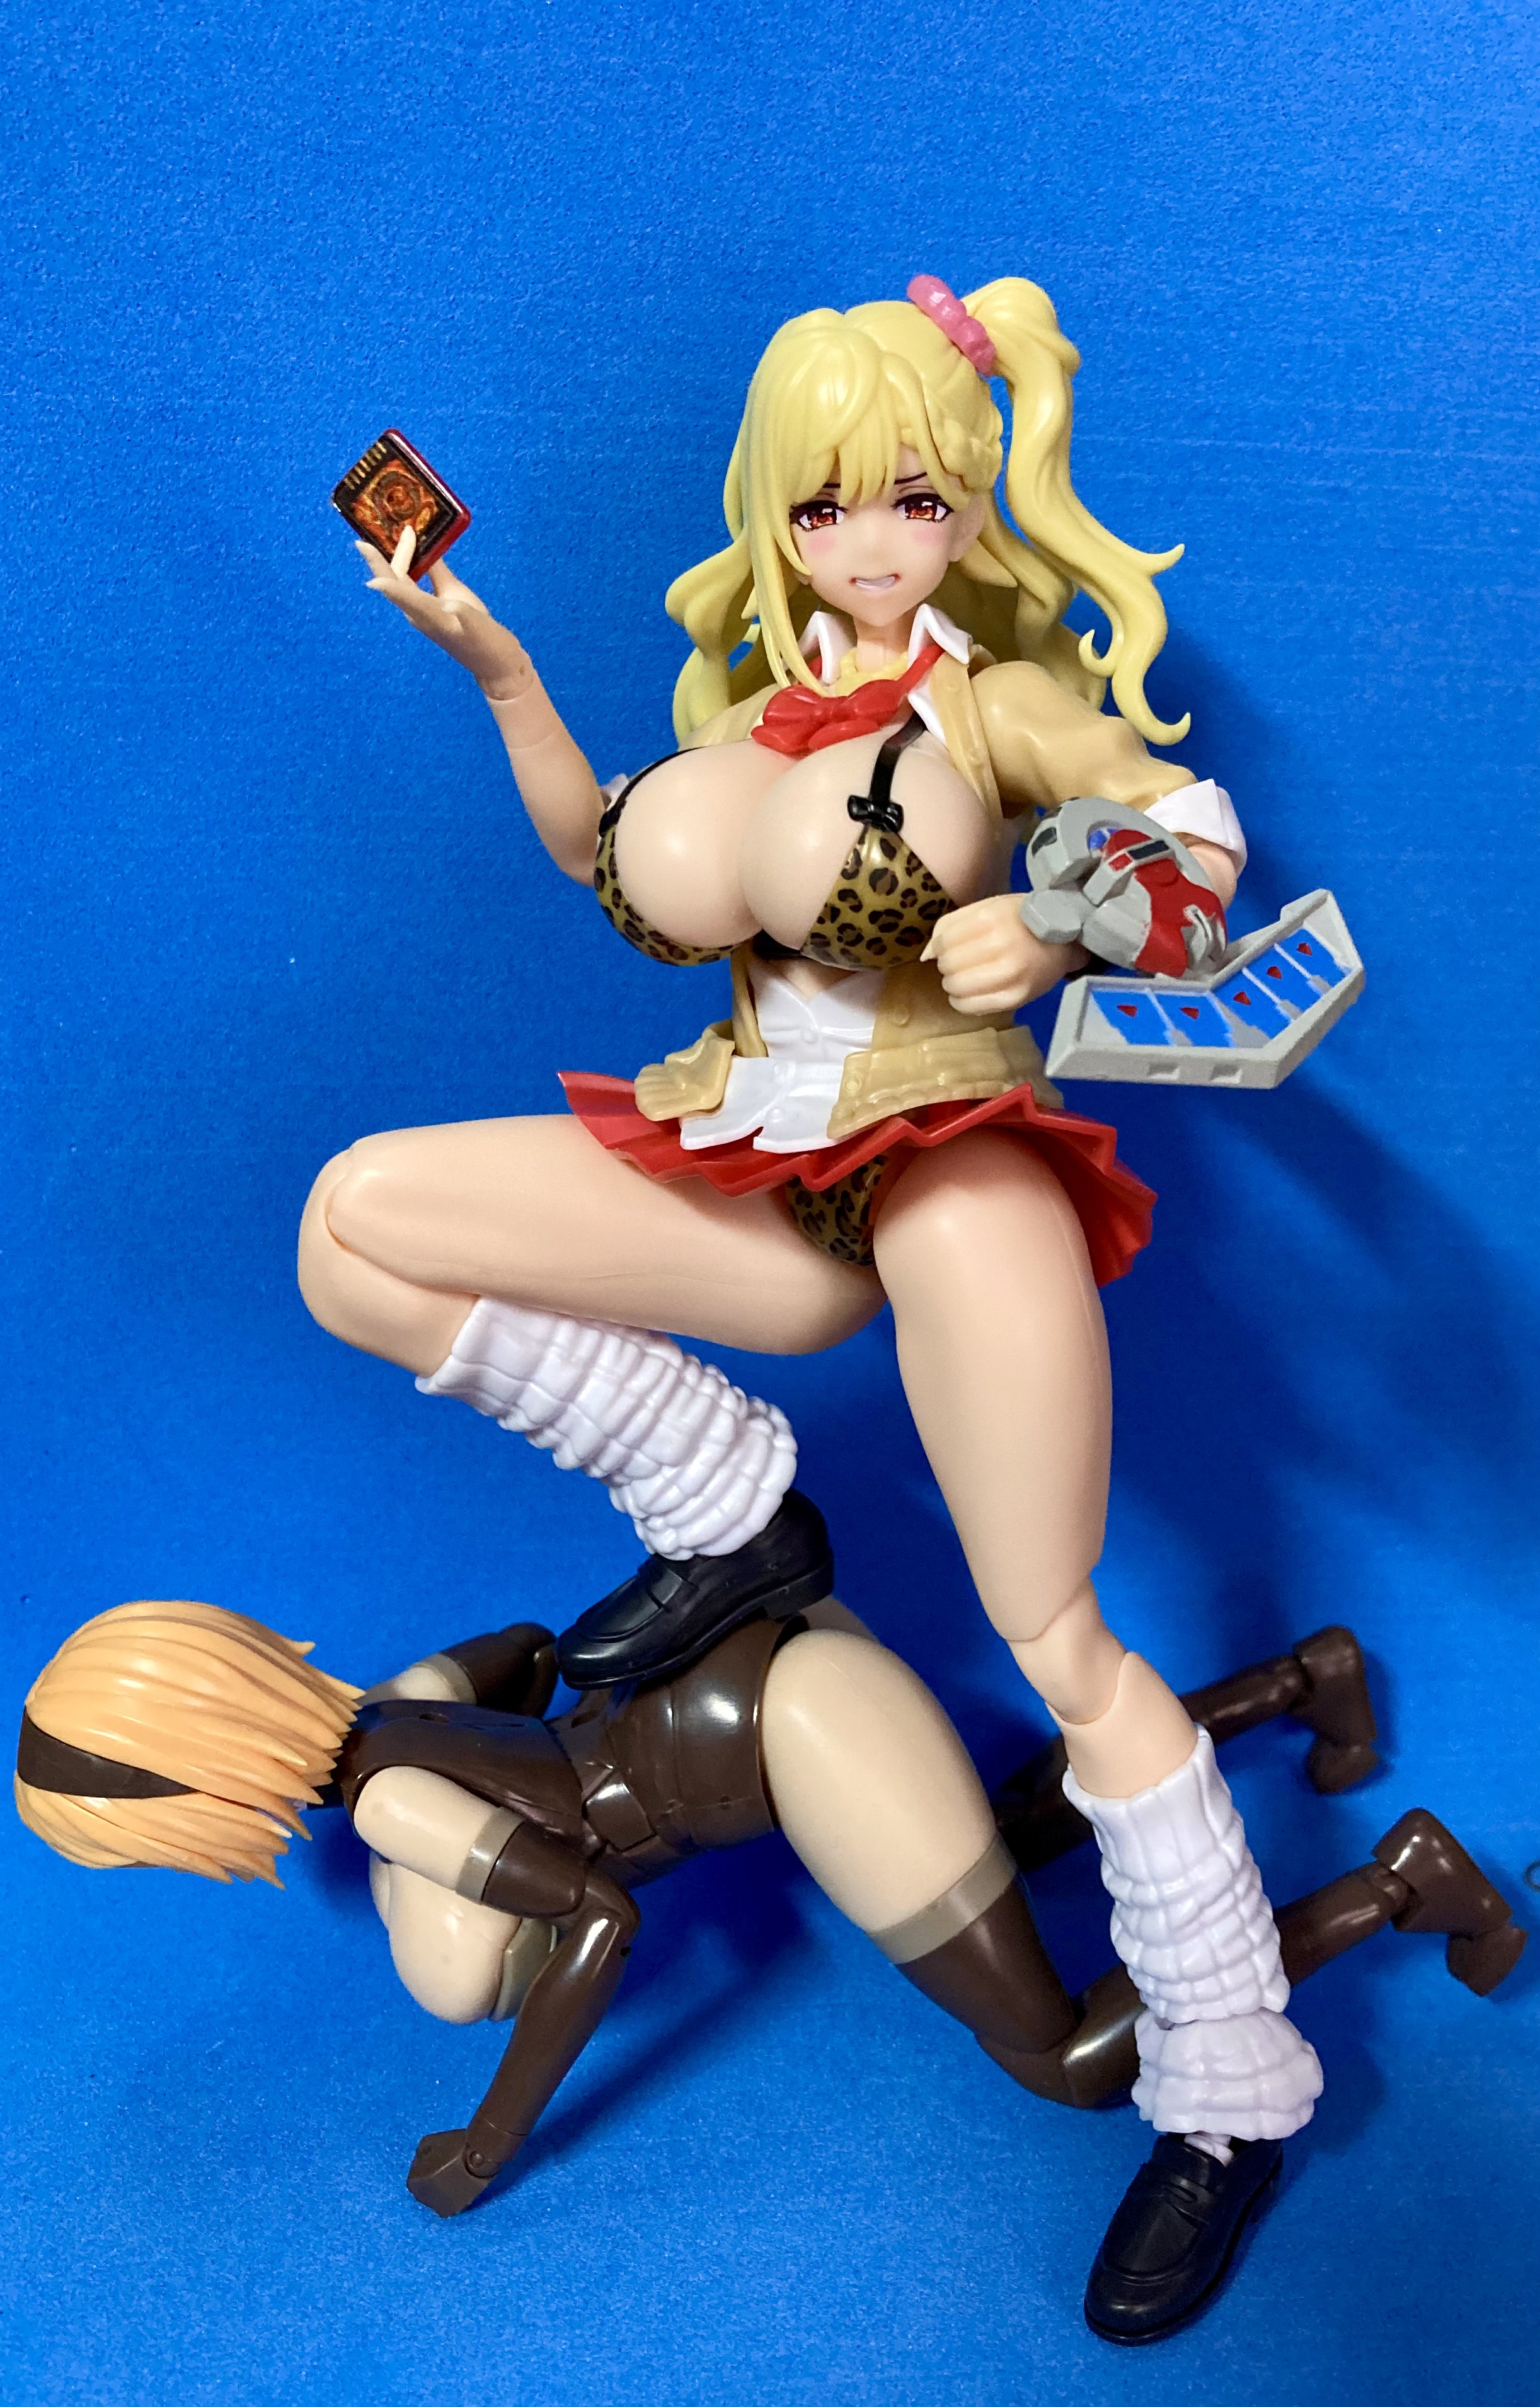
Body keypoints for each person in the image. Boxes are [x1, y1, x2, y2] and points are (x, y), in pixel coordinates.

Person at [296, 273, 1313, 2336]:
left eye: (914, 501)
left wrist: (1059, 922)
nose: (871, 541)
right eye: (829, 503)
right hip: (752, 1170)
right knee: (355, 1229)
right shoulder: (744, 720)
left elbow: (1198, 840)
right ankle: (724, 1507)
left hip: (944, 1169)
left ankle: (1226, 2089)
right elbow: (600, 854)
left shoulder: (987, 706)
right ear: (776, 513)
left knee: (1055, 1633)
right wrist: (495, 664)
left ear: (965, 513)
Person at [16, 1595, 1522, 2336]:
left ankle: (1398, 1884)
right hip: (769, 1654)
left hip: (800, 1735)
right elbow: (530, 1646)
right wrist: (595, 1761)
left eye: (134, 1843)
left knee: (1064, 2056)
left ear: (189, 1788)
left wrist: (486, 2139)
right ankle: (1300, 1679)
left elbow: (599, 1921)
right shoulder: (399, 1696)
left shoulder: (395, 1806)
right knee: (1007, 1830)